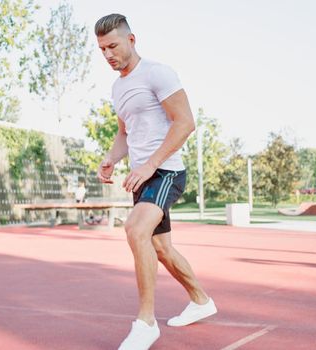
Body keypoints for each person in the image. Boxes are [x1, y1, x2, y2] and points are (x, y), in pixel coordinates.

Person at [94, 14, 217, 350]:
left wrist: (150, 165)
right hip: (143, 177)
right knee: (161, 248)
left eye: (113, 46)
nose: (108, 54)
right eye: (102, 48)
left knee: (135, 229)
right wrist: (110, 158)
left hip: (166, 172)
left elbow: (185, 122)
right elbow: (124, 133)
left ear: (131, 41)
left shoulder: (158, 73)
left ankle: (146, 323)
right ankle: (201, 299)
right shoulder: (118, 87)